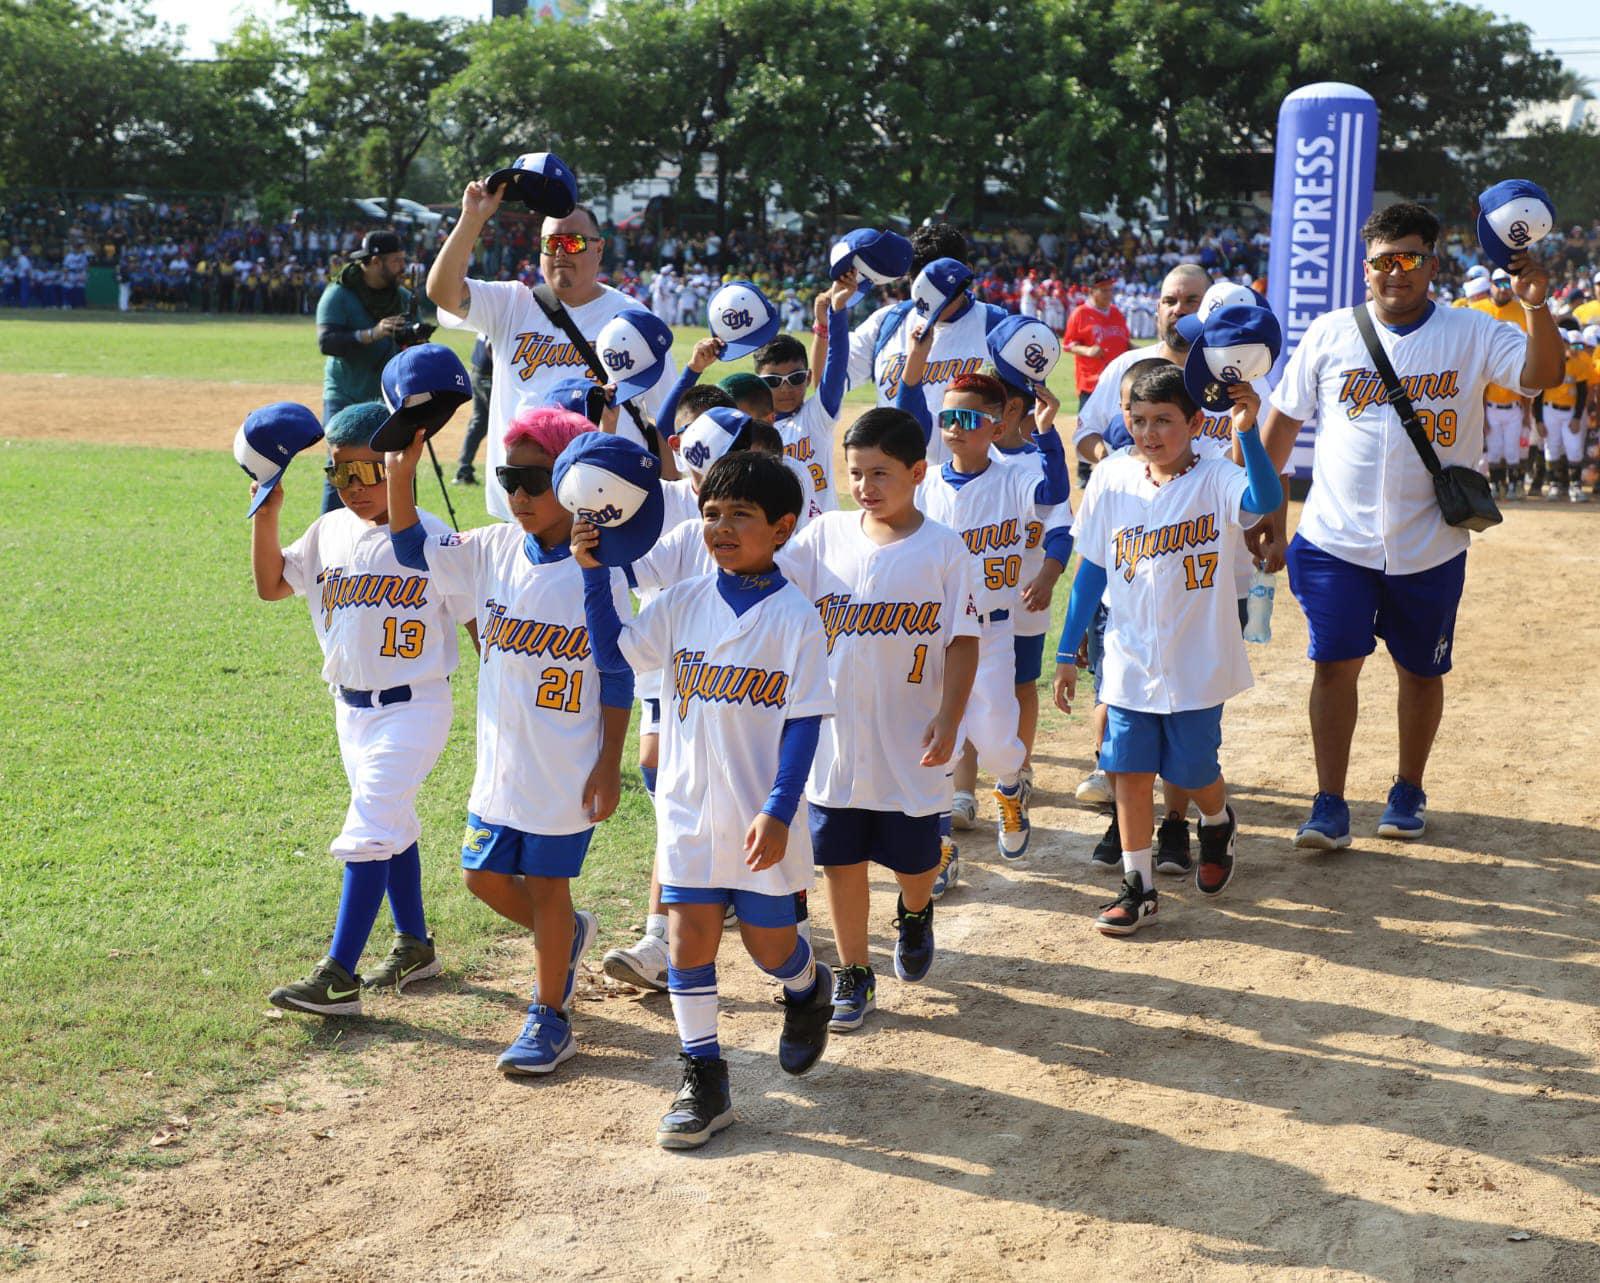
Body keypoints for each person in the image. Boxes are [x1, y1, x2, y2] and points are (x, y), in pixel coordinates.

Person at [1258, 201, 1561, 848]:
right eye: (1382, 262)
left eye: (1410, 259)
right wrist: (1264, 509)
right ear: (1364, 268)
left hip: (1430, 543)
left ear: (1433, 262)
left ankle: (1406, 787)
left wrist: (1536, 305)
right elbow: (1280, 425)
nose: (1395, 273)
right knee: (1333, 666)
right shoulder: (1331, 333)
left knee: (1421, 672)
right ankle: (1329, 802)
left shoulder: (1473, 332)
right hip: (1336, 540)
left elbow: (1542, 376)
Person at [575, 453, 837, 1151]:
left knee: (769, 947)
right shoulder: (684, 599)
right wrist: (594, 574)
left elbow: (805, 720)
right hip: (689, 806)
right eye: (712, 512)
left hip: (762, 817)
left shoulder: (795, 618)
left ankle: (808, 987)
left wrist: (781, 810)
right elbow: (614, 653)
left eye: (741, 515)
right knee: (689, 937)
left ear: (782, 527)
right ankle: (704, 1077)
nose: (721, 527)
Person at [383, 407, 634, 1075]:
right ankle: (567, 938)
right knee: (481, 876)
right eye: (509, 478)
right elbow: (412, 548)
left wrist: (609, 765)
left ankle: (549, 1015)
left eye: (536, 478)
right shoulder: (493, 547)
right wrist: (400, 473)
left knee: (549, 887)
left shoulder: (599, 571)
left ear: (574, 481)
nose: (520, 494)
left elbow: (615, 675)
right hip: (501, 761)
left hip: (565, 764)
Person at [250, 403, 468, 1015]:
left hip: (416, 704)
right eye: (341, 475)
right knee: (389, 822)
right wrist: (265, 517)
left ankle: (338, 974)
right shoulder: (329, 532)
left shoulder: (428, 537)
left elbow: (479, 619)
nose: (356, 488)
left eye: (372, 472)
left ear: (402, 465)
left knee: (370, 825)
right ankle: (414, 945)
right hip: (350, 709)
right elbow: (271, 585)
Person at [1052, 365, 1282, 933]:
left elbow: (1264, 496)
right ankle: (1139, 885)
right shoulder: (1110, 476)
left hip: (1197, 657)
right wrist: (1065, 651)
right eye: (1138, 421)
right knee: (1126, 769)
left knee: (1192, 767)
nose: (1149, 433)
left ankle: (1217, 819)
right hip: (1129, 654)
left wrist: (1248, 432)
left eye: (1164, 421)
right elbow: (1091, 571)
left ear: (1194, 422)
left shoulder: (1216, 478)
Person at [785, 408, 979, 1030]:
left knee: (914, 860)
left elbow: (963, 639)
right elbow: (771, 592)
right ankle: (853, 973)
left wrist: (950, 718)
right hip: (836, 735)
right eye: (855, 473)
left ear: (918, 472)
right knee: (839, 859)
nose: (866, 486)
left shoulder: (943, 549)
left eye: (880, 473)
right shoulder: (823, 537)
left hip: (911, 732)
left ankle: (916, 911)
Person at [896, 332, 1070, 859]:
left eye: (969, 419)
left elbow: (1056, 498)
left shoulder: (1016, 476)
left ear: (996, 425)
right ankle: (939, 851)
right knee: (932, 747)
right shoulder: (926, 486)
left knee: (997, 741)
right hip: (934, 633)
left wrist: (1050, 435)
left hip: (992, 631)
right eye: (948, 418)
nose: (954, 428)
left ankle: (1011, 786)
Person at [427, 181, 677, 521]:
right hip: (521, 505)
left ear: (599, 249)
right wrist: (472, 217)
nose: (561, 252)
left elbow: (667, 416)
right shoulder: (512, 304)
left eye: (573, 242)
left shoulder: (632, 318)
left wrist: (676, 497)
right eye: (551, 243)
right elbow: (443, 293)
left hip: (604, 508)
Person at [315, 231, 413, 513]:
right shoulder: (339, 294)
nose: (401, 267)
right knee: (342, 472)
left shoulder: (403, 297)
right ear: (373, 262)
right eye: (395, 261)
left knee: (392, 469)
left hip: (388, 397)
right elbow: (327, 342)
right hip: (345, 393)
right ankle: (330, 542)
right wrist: (373, 333)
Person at [753, 272, 855, 514]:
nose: (786, 388)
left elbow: (837, 364)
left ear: (808, 378)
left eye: (796, 378)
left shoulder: (816, 417)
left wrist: (837, 312)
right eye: (774, 381)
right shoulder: (749, 429)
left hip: (824, 541)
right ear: (759, 384)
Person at [1469, 267, 1532, 500]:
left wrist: (1528, 411)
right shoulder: (1478, 309)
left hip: (1515, 380)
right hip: (1486, 381)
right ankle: (1496, 485)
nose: (1504, 289)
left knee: (1513, 448)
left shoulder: (1521, 310)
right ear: (1490, 285)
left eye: (1508, 284)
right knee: (1494, 448)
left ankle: (1514, 485)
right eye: (1499, 284)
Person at [1063, 271, 1130, 411]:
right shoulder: (1080, 313)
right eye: (1104, 290)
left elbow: (1125, 342)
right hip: (1091, 384)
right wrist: (1087, 350)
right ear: (1091, 291)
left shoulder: (1116, 313)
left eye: (1111, 290)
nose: (1109, 294)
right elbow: (1068, 345)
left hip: (1118, 381)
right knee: (1088, 430)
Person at [453, 337, 495, 486]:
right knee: (500, 422)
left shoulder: (491, 315)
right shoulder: (506, 315)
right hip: (488, 374)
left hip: (478, 372)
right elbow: (490, 346)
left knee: (480, 422)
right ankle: (506, 470)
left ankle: (464, 470)